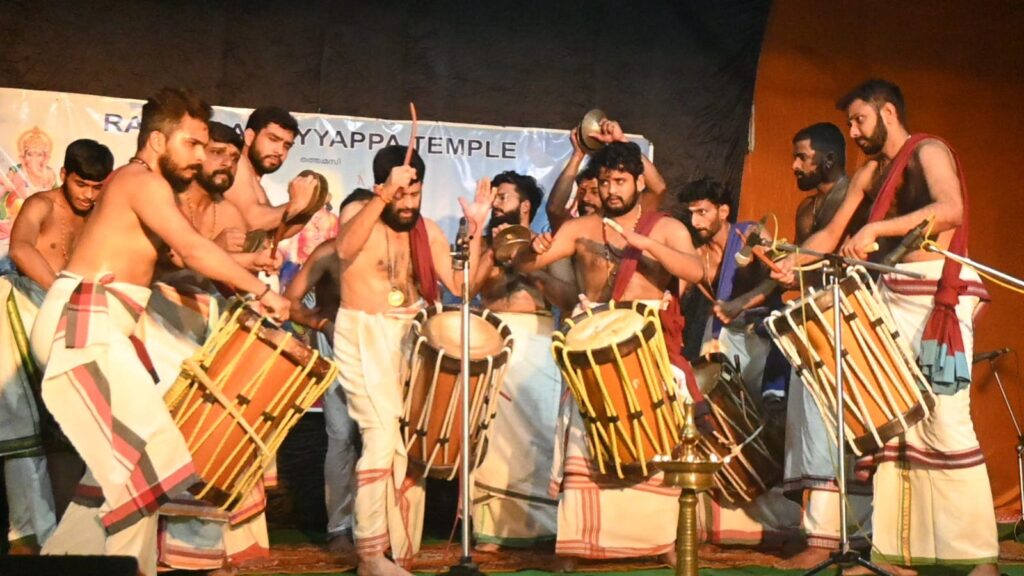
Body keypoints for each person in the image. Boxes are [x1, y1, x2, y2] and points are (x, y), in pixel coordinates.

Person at [27, 87, 290, 576]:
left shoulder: (142, 187)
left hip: (96, 321)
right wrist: (259, 289)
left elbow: (172, 262)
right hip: (85, 320)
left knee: (121, 471)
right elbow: (191, 249)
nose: (199, 157)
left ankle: (65, 562)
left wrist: (246, 263)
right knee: (154, 458)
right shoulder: (141, 181)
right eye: (192, 144)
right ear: (156, 140)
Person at [774, 79, 998, 576]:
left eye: (859, 120)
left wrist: (876, 228)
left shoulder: (928, 150)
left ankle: (981, 562)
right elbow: (832, 234)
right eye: (850, 124)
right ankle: (898, 559)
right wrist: (794, 263)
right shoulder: (871, 172)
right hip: (891, 294)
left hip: (938, 296)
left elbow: (950, 210)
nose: (853, 132)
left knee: (946, 423)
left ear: (888, 113)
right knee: (895, 430)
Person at [513, 141, 703, 569]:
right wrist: (533, 250)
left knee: (656, 436)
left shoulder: (666, 227)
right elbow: (526, 265)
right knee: (585, 439)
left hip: (649, 343)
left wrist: (644, 243)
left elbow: (695, 271)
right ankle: (579, 544)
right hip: (593, 344)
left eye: (620, 181)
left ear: (639, 182)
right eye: (605, 182)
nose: (612, 190)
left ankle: (661, 541)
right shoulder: (582, 228)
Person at [333, 144, 492, 576]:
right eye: (399, 194)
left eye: (414, 193)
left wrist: (477, 230)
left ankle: (398, 549)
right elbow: (344, 251)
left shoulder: (427, 231)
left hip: (411, 340)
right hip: (364, 334)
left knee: (410, 446)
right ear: (380, 186)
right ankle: (369, 554)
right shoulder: (359, 214)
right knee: (381, 436)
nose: (407, 203)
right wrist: (385, 195)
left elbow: (461, 286)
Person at [1, 139, 113, 553]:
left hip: (67, 322)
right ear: (64, 174)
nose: (88, 195)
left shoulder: (101, 216)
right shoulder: (41, 205)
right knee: (23, 428)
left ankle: (69, 534)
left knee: (70, 427)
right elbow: (20, 248)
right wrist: (62, 293)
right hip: (21, 310)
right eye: (81, 184)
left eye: (97, 187)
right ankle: (28, 537)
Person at [677, 178, 801, 547]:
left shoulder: (751, 233)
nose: (696, 221)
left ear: (723, 211)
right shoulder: (698, 253)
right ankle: (729, 514)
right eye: (691, 213)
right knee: (723, 417)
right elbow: (680, 287)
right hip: (724, 335)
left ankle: (782, 518)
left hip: (761, 332)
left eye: (703, 212)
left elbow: (779, 280)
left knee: (771, 415)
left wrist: (739, 304)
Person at [777, 122, 873, 569]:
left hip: (852, 321)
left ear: (828, 159)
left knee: (846, 429)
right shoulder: (805, 209)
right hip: (813, 325)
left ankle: (846, 537)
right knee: (811, 427)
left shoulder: (858, 195)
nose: (795, 166)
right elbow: (804, 266)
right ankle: (819, 533)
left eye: (803, 157)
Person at [469, 171, 575, 551]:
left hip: (537, 343)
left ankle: (543, 526)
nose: (496, 204)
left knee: (539, 436)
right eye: (495, 198)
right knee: (491, 439)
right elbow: (467, 289)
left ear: (525, 206)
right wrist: (488, 248)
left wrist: (531, 267)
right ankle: (491, 529)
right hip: (492, 342)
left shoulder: (548, 246)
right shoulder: (483, 243)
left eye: (504, 197)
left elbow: (568, 299)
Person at [284, 187, 374, 558]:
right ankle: (339, 529)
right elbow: (289, 302)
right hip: (340, 355)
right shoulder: (327, 254)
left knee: (380, 442)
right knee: (341, 439)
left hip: (382, 357)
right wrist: (322, 324)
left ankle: (378, 531)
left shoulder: (390, 253)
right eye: (349, 220)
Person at [545, 118, 665, 232]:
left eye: (594, 191)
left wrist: (622, 142)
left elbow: (658, 188)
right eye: (581, 192)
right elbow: (554, 209)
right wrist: (578, 155)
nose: (586, 198)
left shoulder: (633, 221)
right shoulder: (574, 230)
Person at [223, 106, 320, 237]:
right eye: (273, 139)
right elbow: (252, 222)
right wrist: (297, 204)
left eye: (286, 146)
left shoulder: (256, 183)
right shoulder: (237, 163)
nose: (279, 151)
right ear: (250, 137)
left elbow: (273, 235)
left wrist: (312, 203)